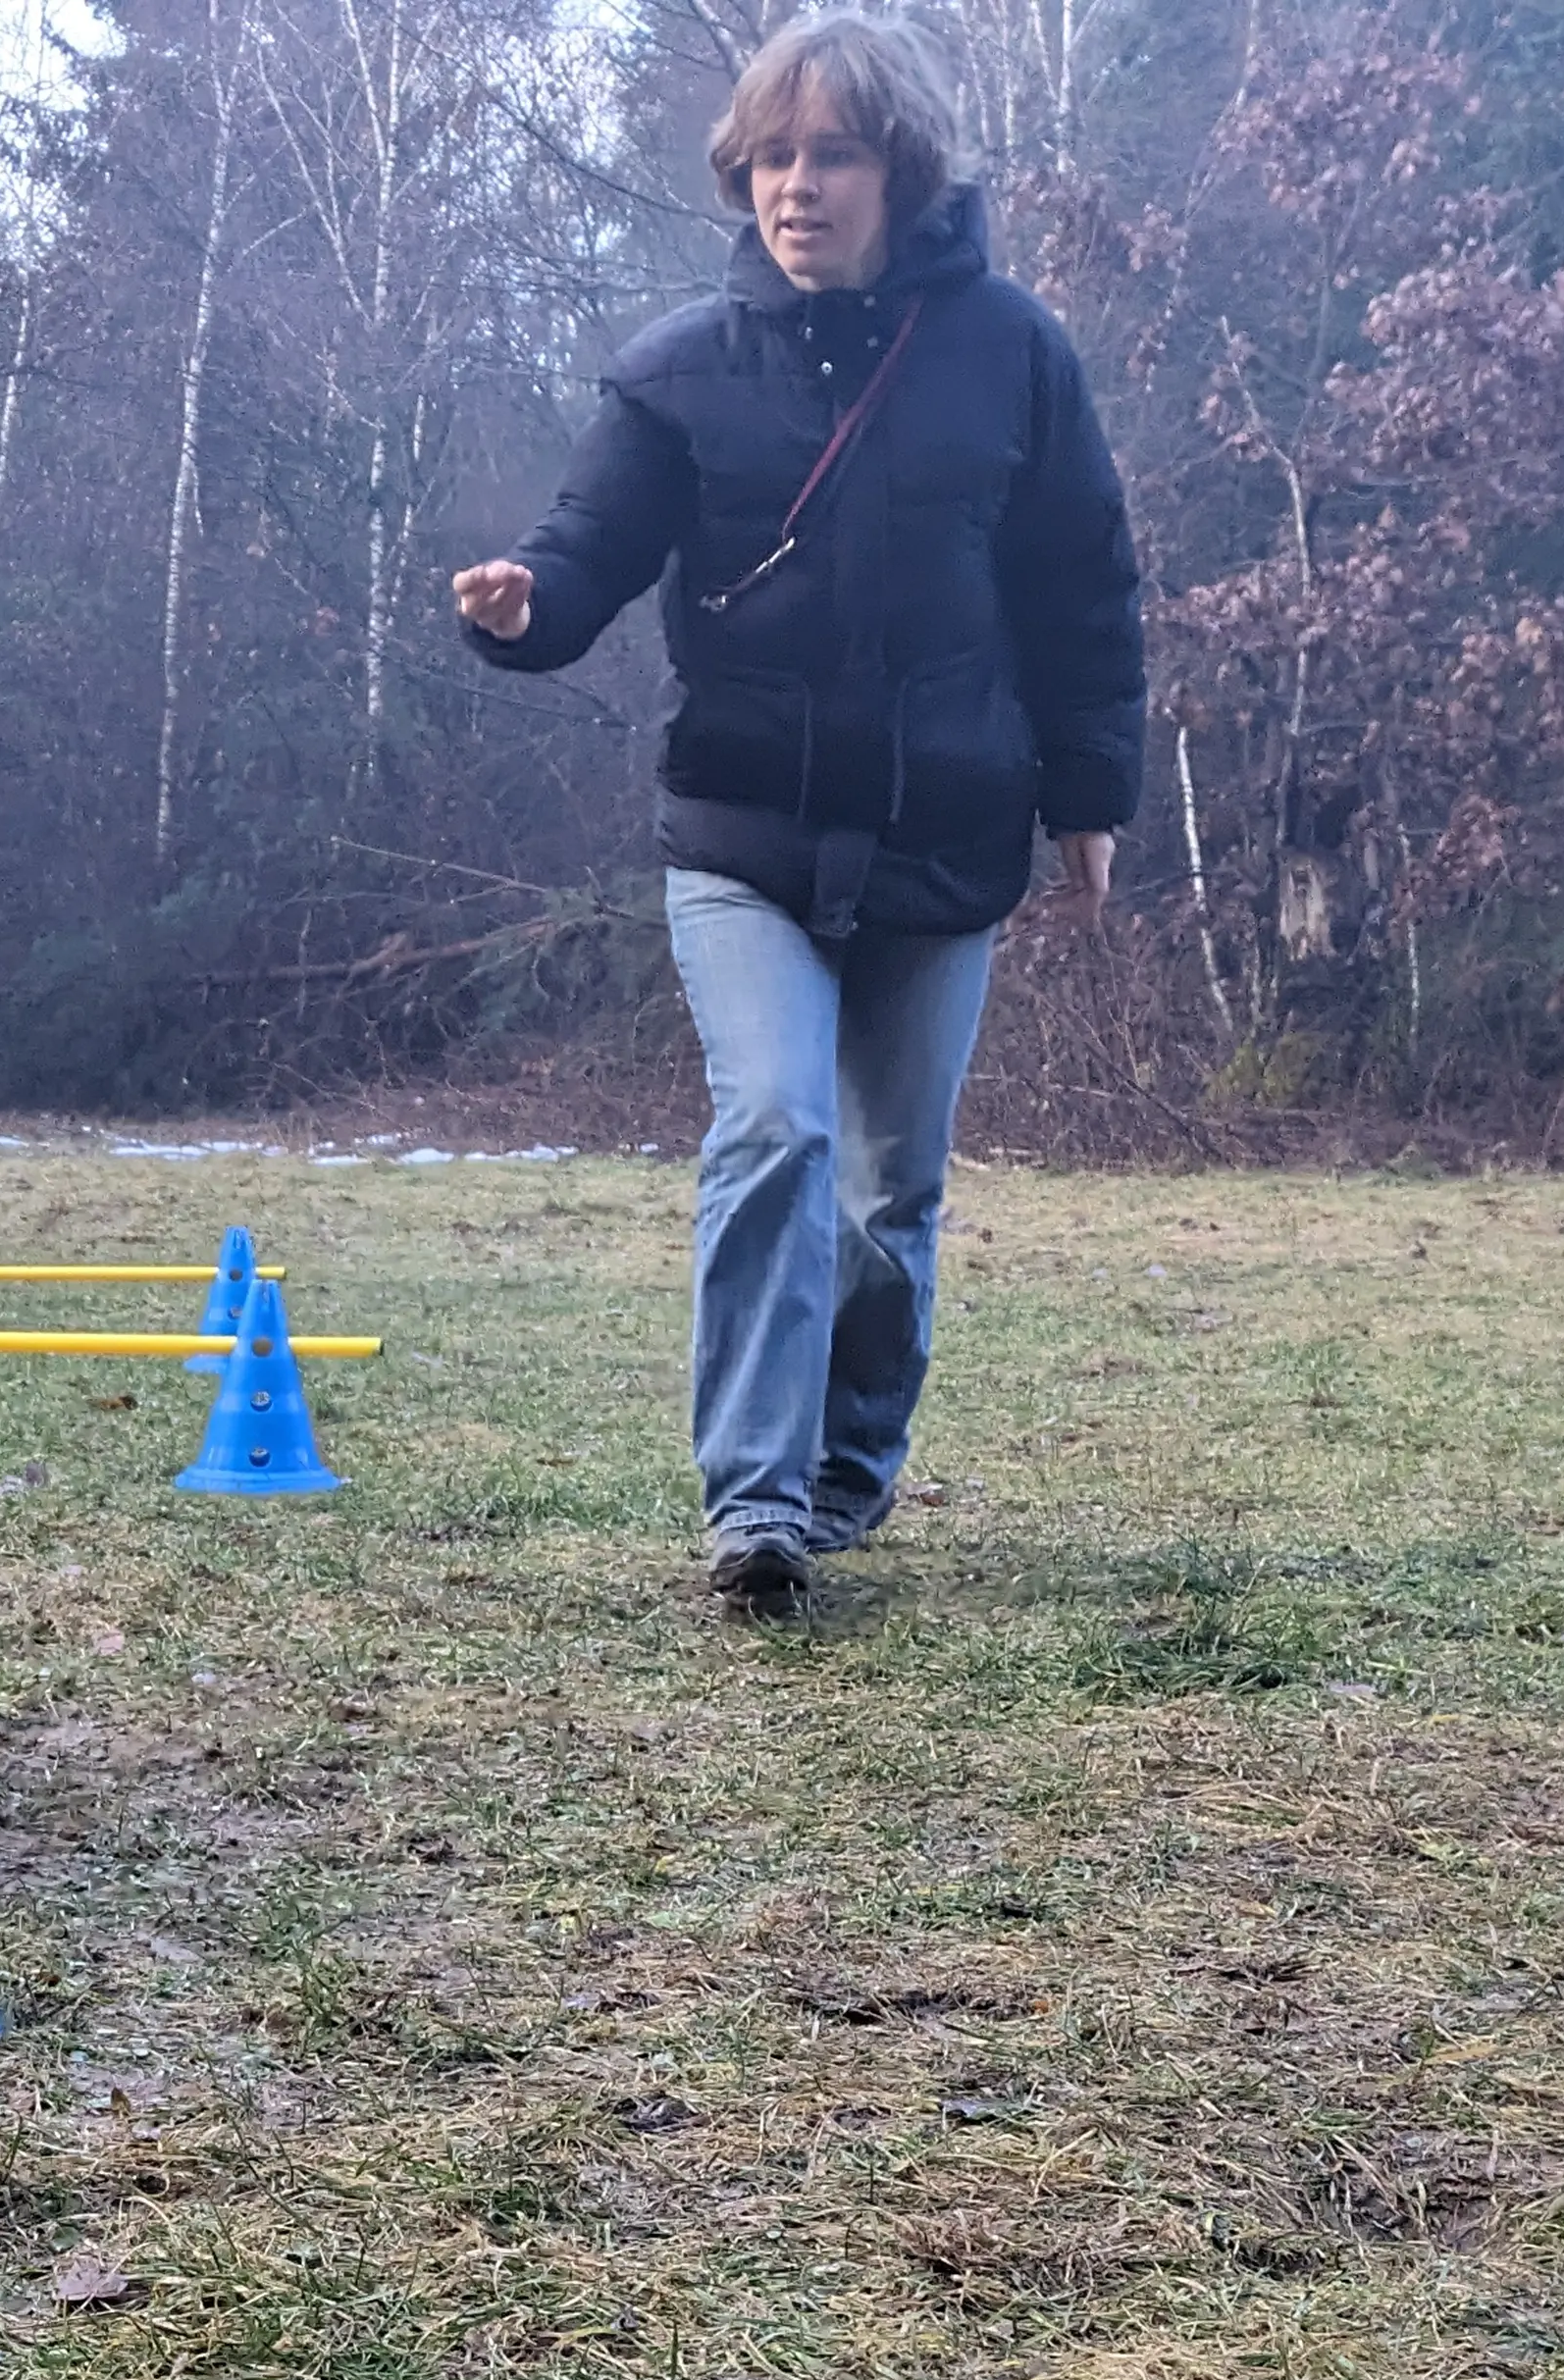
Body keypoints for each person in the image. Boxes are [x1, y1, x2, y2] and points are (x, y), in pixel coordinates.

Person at [454, 12, 1142, 1614]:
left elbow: (1078, 589)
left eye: (827, 153)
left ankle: (843, 1468)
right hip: (742, 835)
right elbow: (581, 551)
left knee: (887, 1189)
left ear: (895, 169)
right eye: (769, 156)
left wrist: (1088, 796)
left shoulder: (1011, 354)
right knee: (773, 1121)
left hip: (944, 835)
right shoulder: (677, 368)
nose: (795, 186)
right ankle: (752, 1507)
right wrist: (517, 606)